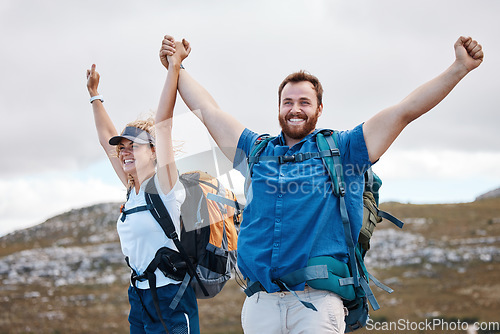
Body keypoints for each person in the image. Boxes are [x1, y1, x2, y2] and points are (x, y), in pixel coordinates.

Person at [161, 35, 483, 333]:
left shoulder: (345, 150)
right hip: (260, 304)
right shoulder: (256, 150)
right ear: (278, 108)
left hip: (316, 305)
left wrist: (458, 68)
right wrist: (179, 65)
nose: (295, 109)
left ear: (319, 109)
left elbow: (404, 112)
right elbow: (208, 111)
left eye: (304, 101)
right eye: (288, 102)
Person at [86, 39, 200, 333]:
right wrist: (94, 94)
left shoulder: (164, 184)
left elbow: (163, 123)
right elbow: (105, 138)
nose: (123, 152)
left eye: (131, 146)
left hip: (171, 297)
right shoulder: (131, 188)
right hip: (138, 298)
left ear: (153, 151)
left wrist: (173, 67)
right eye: (121, 148)